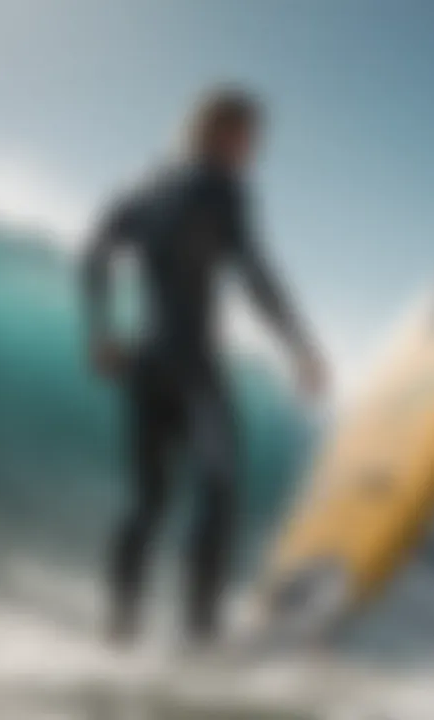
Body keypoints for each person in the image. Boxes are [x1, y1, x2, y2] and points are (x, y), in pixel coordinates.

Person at [81, 88, 327, 645]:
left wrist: (100, 332)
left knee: (147, 501)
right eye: (250, 137)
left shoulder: (144, 186)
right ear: (222, 132)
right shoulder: (223, 188)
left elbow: (94, 253)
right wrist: (300, 346)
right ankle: (199, 633)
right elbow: (256, 275)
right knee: (218, 491)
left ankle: (118, 630)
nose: (255, 150)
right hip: (194, 369)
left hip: (145, 364)